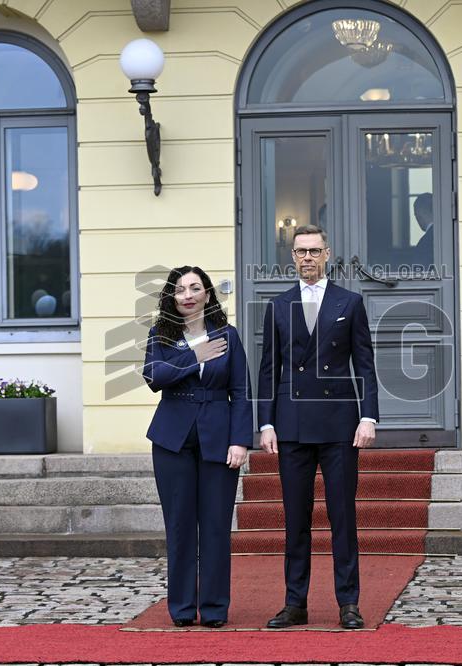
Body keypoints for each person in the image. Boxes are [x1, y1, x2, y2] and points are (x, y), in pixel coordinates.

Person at [258, 224, 379, 630]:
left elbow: (364, 363)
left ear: (327, 254)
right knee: (296, 520)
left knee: (343, 517)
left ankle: (349, 603)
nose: (307, 258)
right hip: (292, 426)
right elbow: (268, 370)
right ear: (291, 257)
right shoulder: (278, 305)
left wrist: (368, 416)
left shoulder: (350, 301)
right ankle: (296, 603)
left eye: (314, 251)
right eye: (300, 252)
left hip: (339, 425)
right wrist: (266, 422)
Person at [142, 266, 252, 628]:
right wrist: (195, 356)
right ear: (171, 298)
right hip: (172, 440)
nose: (187, 295)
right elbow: (154, 377)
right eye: (180, 290)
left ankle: (216, 609)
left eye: (194, 288)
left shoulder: (228, 335)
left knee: (216, 525)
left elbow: (240, 391)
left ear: (207, 293)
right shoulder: (160, 334)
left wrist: (240, 440)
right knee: (180, 526)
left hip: (220, 440)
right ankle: (183, 609)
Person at [412, 193, 434, 266]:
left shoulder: (425, 243)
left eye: (416, 214)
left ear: (422, 213)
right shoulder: (449, 233)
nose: (417, 218)